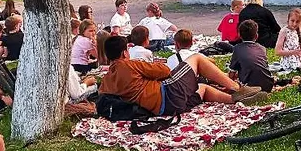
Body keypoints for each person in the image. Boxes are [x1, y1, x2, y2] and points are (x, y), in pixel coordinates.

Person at [100, 35, 260, 117]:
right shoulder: (129, 64)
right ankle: (237, 88)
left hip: (164, 110)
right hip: (167, 95)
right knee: (196, 59)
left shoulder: (106, 81)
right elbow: (165, 71)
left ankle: (234, 99)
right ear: (124, 53)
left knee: (202, 88)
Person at [229, 21, 274, 92]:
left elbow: (232, 72)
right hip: (268, 85)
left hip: (249, 86)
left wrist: (229, 84)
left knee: (236, 82)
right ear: (256, 36)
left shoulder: (237, 48)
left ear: (239, 35)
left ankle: (252, 92)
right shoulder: (262, 48)